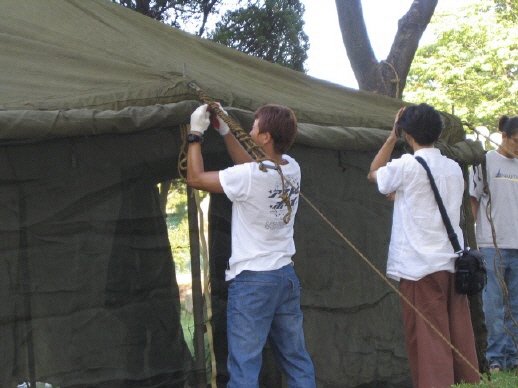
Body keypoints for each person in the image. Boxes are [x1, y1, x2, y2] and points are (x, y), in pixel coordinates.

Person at [186, 103, 316, 388]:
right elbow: (250, 164)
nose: (250, 130)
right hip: (284, 277)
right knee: (296, 361)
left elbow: (195, 178)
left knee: (244, 368)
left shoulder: (247, 178)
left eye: (255, 127)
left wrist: (195, 133)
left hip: (253, 282)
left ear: (266, 137)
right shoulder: (292, 167)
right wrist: (224, 130)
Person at [367, 103, 480, 387]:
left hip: (420, 268)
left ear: (408, 134)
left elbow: (374, 173)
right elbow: (433, 200)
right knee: (459, 341)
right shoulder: (453, 168)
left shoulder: (406, 166)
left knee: (429, 347)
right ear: (438, 132)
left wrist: (392, 136)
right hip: (453, 266)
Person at [469, 115, 518, 373]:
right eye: (517, 141)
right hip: (492, 244)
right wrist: (475, 239)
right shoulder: (484, 162)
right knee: (493, 306)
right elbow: (472, 201)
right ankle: (496, 358)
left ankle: (514, 357)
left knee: (516, 306)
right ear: (504, 136)